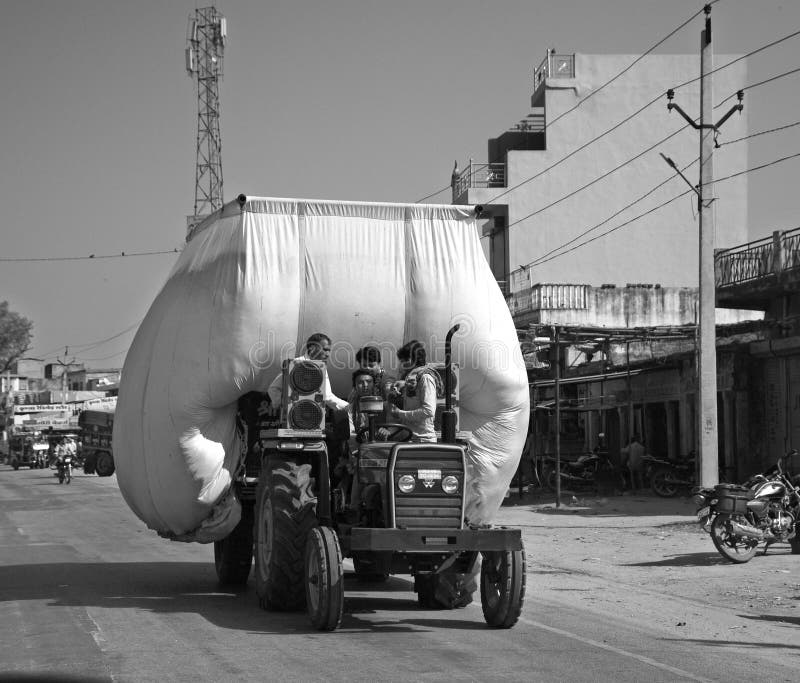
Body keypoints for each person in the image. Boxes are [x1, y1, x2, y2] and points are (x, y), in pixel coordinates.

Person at [266, 332, 349, 411]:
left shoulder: (321, 368)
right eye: (325, 349)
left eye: (329, 350)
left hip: (313, 416)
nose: (328, 354)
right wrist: (286, 404)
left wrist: (348, 407)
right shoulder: (294, 365)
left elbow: (327, 396)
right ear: (312, 348)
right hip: (293, 417)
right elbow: (273, 389)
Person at [386, 339, 443, 443]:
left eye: (405, 360)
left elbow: (428, 411)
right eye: (401, 361)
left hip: (423, 440)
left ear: (415, 360)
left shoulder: (426, 378)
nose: (402, 364)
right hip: (410, 439)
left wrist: (400, 413)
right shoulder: (412, 380)